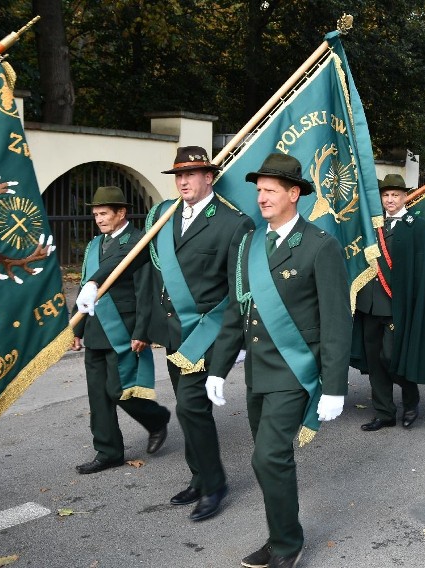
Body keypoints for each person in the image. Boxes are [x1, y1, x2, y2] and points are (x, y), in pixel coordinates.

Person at [205, 153, 351, 568]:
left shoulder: (321, 246)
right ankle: (278, 536)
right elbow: (237, 309)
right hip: (258, 371)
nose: (262, 197)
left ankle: (288, 543)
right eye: (258, 190)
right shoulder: (250, 244)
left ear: (293, 193)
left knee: (268, 455)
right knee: (271, 458)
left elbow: (337, 322)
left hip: (295, 370)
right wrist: (218, 367)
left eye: (270, 190)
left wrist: (335, 386)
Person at [147, 146, 253, 522]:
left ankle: (214, 483)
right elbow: (150, 272)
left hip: (207, 334)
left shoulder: (233, 223)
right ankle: (198, 474)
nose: (183, 181)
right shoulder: (162, 217)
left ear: (209, 177)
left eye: (191, 174)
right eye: (178, 175)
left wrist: (233, 341)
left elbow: (239, 288)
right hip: (175, 332)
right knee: (191, 409)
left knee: (190, 406)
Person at [72, 186, 170, 474]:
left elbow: (146, 291)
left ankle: (157, 419)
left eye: (104, 213)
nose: (99, 219)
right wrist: (76, 327)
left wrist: (142, 331)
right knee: (98, 396)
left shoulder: (138, 241)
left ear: (121, 212)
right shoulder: (94, 246)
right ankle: (108, 451)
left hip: (123, 330)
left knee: (119, 390)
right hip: (94, 329)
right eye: (95, 214)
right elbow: (83, 286)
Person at [352, 174, 425, 431]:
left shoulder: (418, 228)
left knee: (391, 356)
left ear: (405, 196)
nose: (390, 199)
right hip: (369, 304)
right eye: (386, 195)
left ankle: (410, 400)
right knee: (374, 361)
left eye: (395, 194)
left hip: (398, 306)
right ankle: (384, 412)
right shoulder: (371, 225)